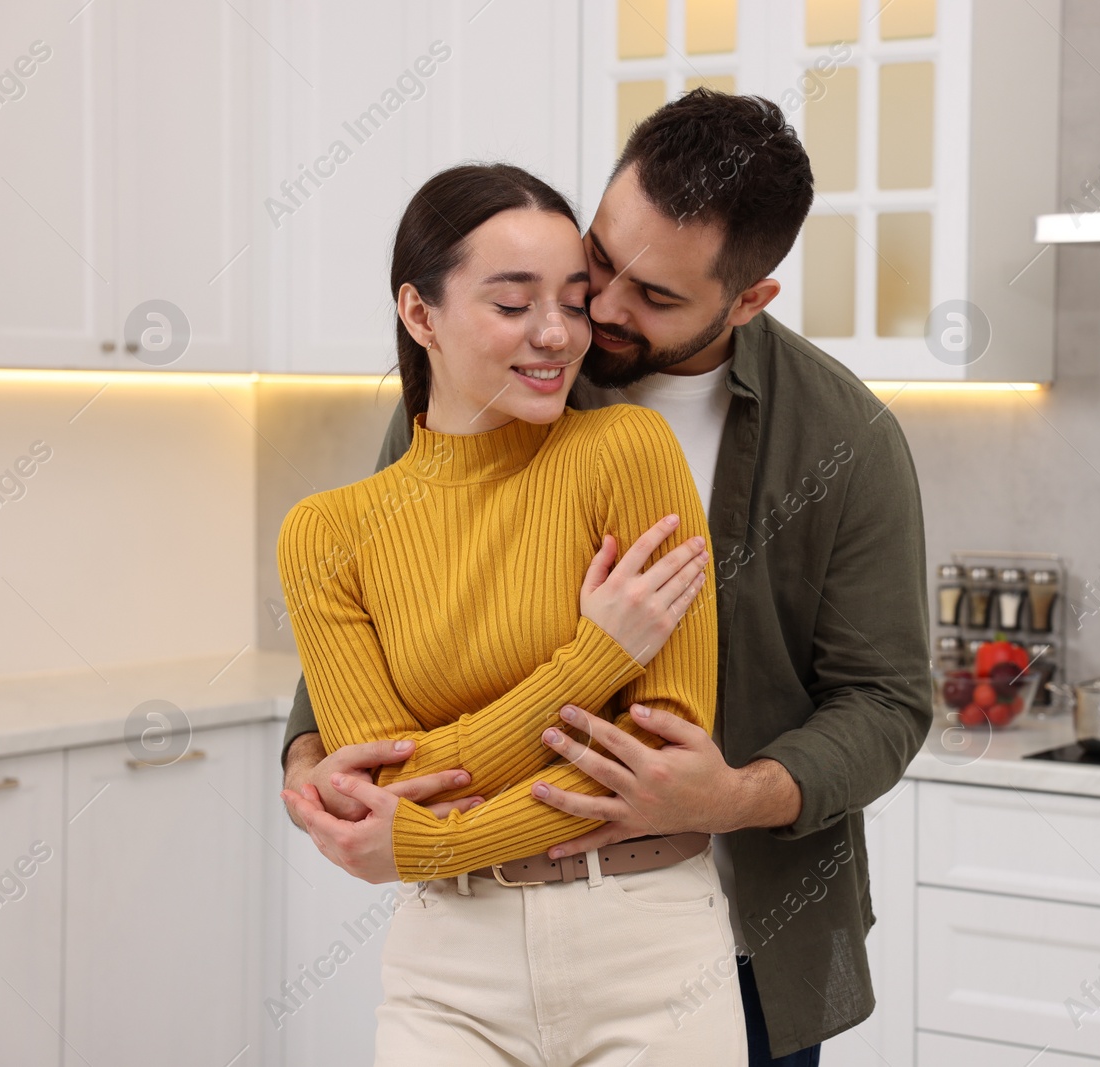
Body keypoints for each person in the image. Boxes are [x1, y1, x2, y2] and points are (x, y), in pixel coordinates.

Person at [283, 89, 932, 1065]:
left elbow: (885, 700)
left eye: (657, 295)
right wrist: (311, 764)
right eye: (600, 258)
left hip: (741, 933)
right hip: (474, 930)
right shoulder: (501, 374)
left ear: (748, 299)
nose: (598, 310)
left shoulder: (843, 439)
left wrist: (732, 793)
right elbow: (382, 601)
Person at [277, 162, 746, 1064]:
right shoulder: (328, 534)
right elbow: (390, 786)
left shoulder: (628, 450)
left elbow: (658, 759)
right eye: (512, 304)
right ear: (421, 315)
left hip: (647, 952)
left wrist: (417, 842)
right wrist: (596, 657)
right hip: (448, 972)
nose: (558, 334)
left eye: (574, 301)